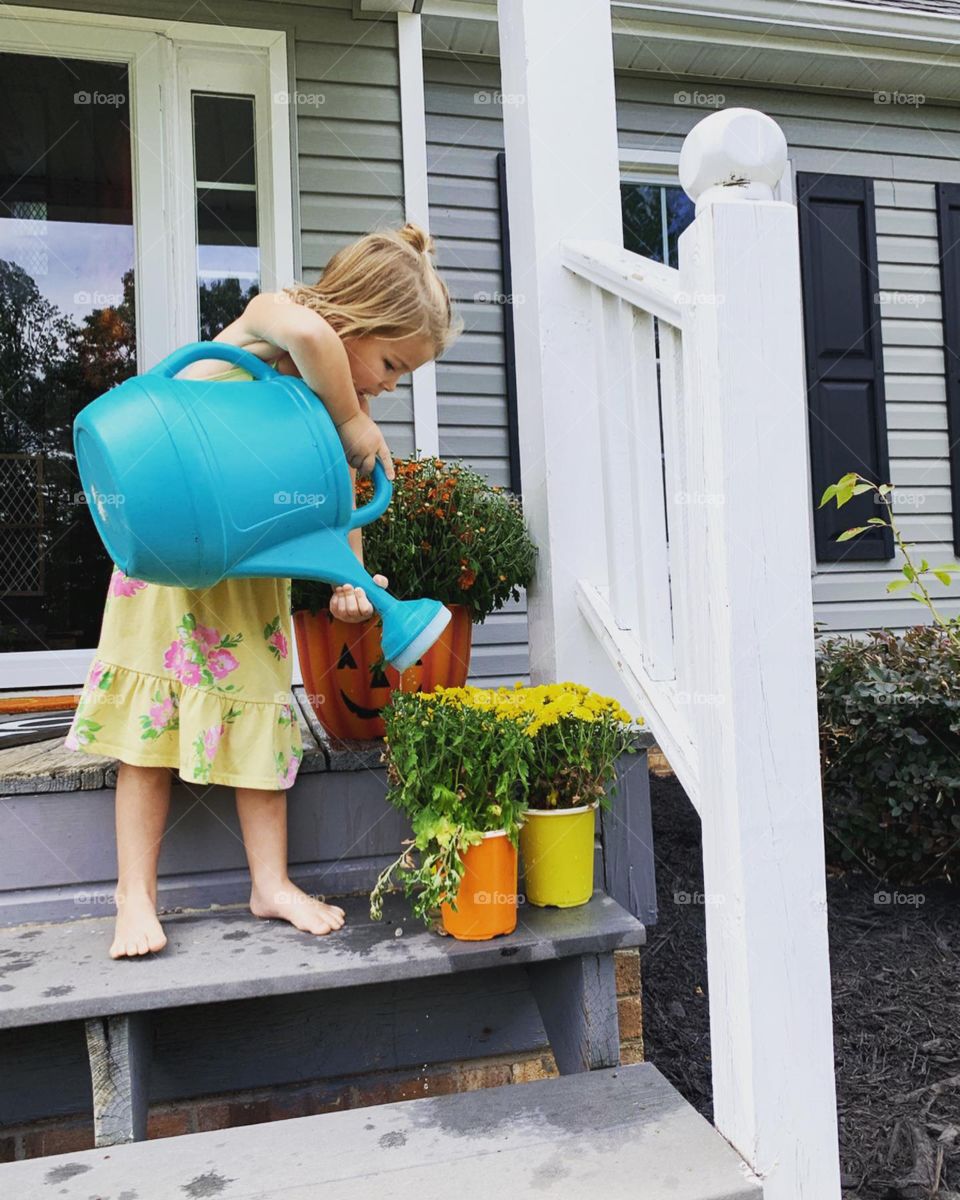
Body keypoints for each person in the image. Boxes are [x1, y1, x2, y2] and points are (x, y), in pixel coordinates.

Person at [63, 222, 462, 958]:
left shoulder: (351, 414)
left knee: (263, 726)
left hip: (246, 587)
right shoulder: (271, 322)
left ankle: (269, 883)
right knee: (148, 740)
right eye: (390, 362)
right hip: (172, 570)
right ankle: (133, 895)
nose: (387, 384)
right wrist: (346, 413)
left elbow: (346, 507)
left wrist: (349, 579)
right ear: (355, 318)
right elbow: (311, 335)